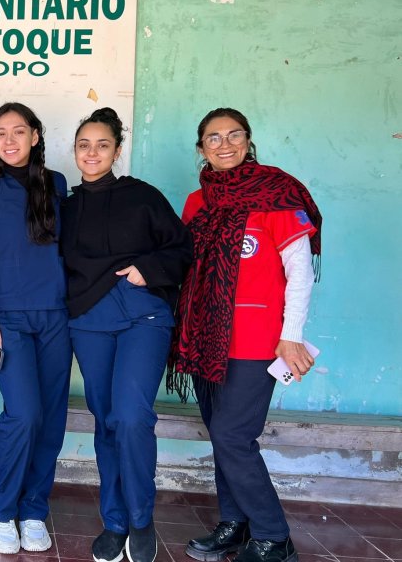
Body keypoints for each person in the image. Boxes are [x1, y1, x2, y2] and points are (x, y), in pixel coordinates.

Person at [168, 108, 321, 562]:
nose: (224, 144)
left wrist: (291, 335)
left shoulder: (276, 194)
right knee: (221, 434)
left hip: (257, 342)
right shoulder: (198, 202)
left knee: (234, 436)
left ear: (248, 141)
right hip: (205, 338)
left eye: (234, 135)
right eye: (213, 138)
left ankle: (273, 537)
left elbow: (299, 272)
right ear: (202, 148)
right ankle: (235, 524)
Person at [59, 108, 193, 562]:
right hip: (89, 323)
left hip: (143, 319)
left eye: (101, 145)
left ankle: (141, 517)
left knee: (133, 416)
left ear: (117, 150)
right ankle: (114, 521)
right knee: (107, 420)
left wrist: (147, 270)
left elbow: (182, 248)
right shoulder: (68, 205)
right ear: (74, 150)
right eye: (84, 145)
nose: (91, 153)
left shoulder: (143, 197)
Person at [0, 102, 72, 555]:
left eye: (18, 131)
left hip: (55, 317)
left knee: (51, 419)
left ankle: (33, 510)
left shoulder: (57, 184)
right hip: (9, 318)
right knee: (24, 415)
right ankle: (1, 510)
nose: (9, 141)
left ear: (35, 135)